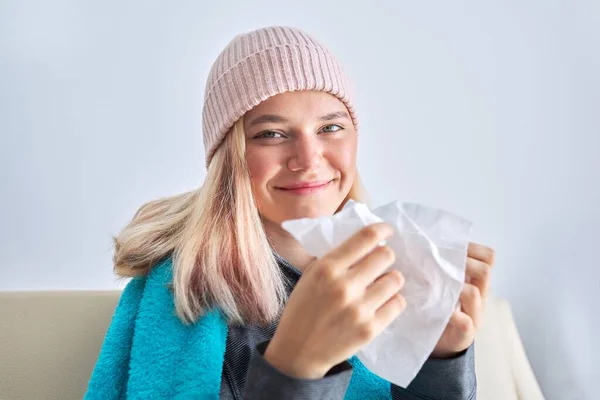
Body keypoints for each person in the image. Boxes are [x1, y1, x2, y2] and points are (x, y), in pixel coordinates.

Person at [86, 25, 495, 400]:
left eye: (330, 127)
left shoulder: (391, 276)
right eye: (272, 134)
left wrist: (439, 362)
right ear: (230, 157)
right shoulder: (183, 292)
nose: (308, 159)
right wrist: (296, 367)